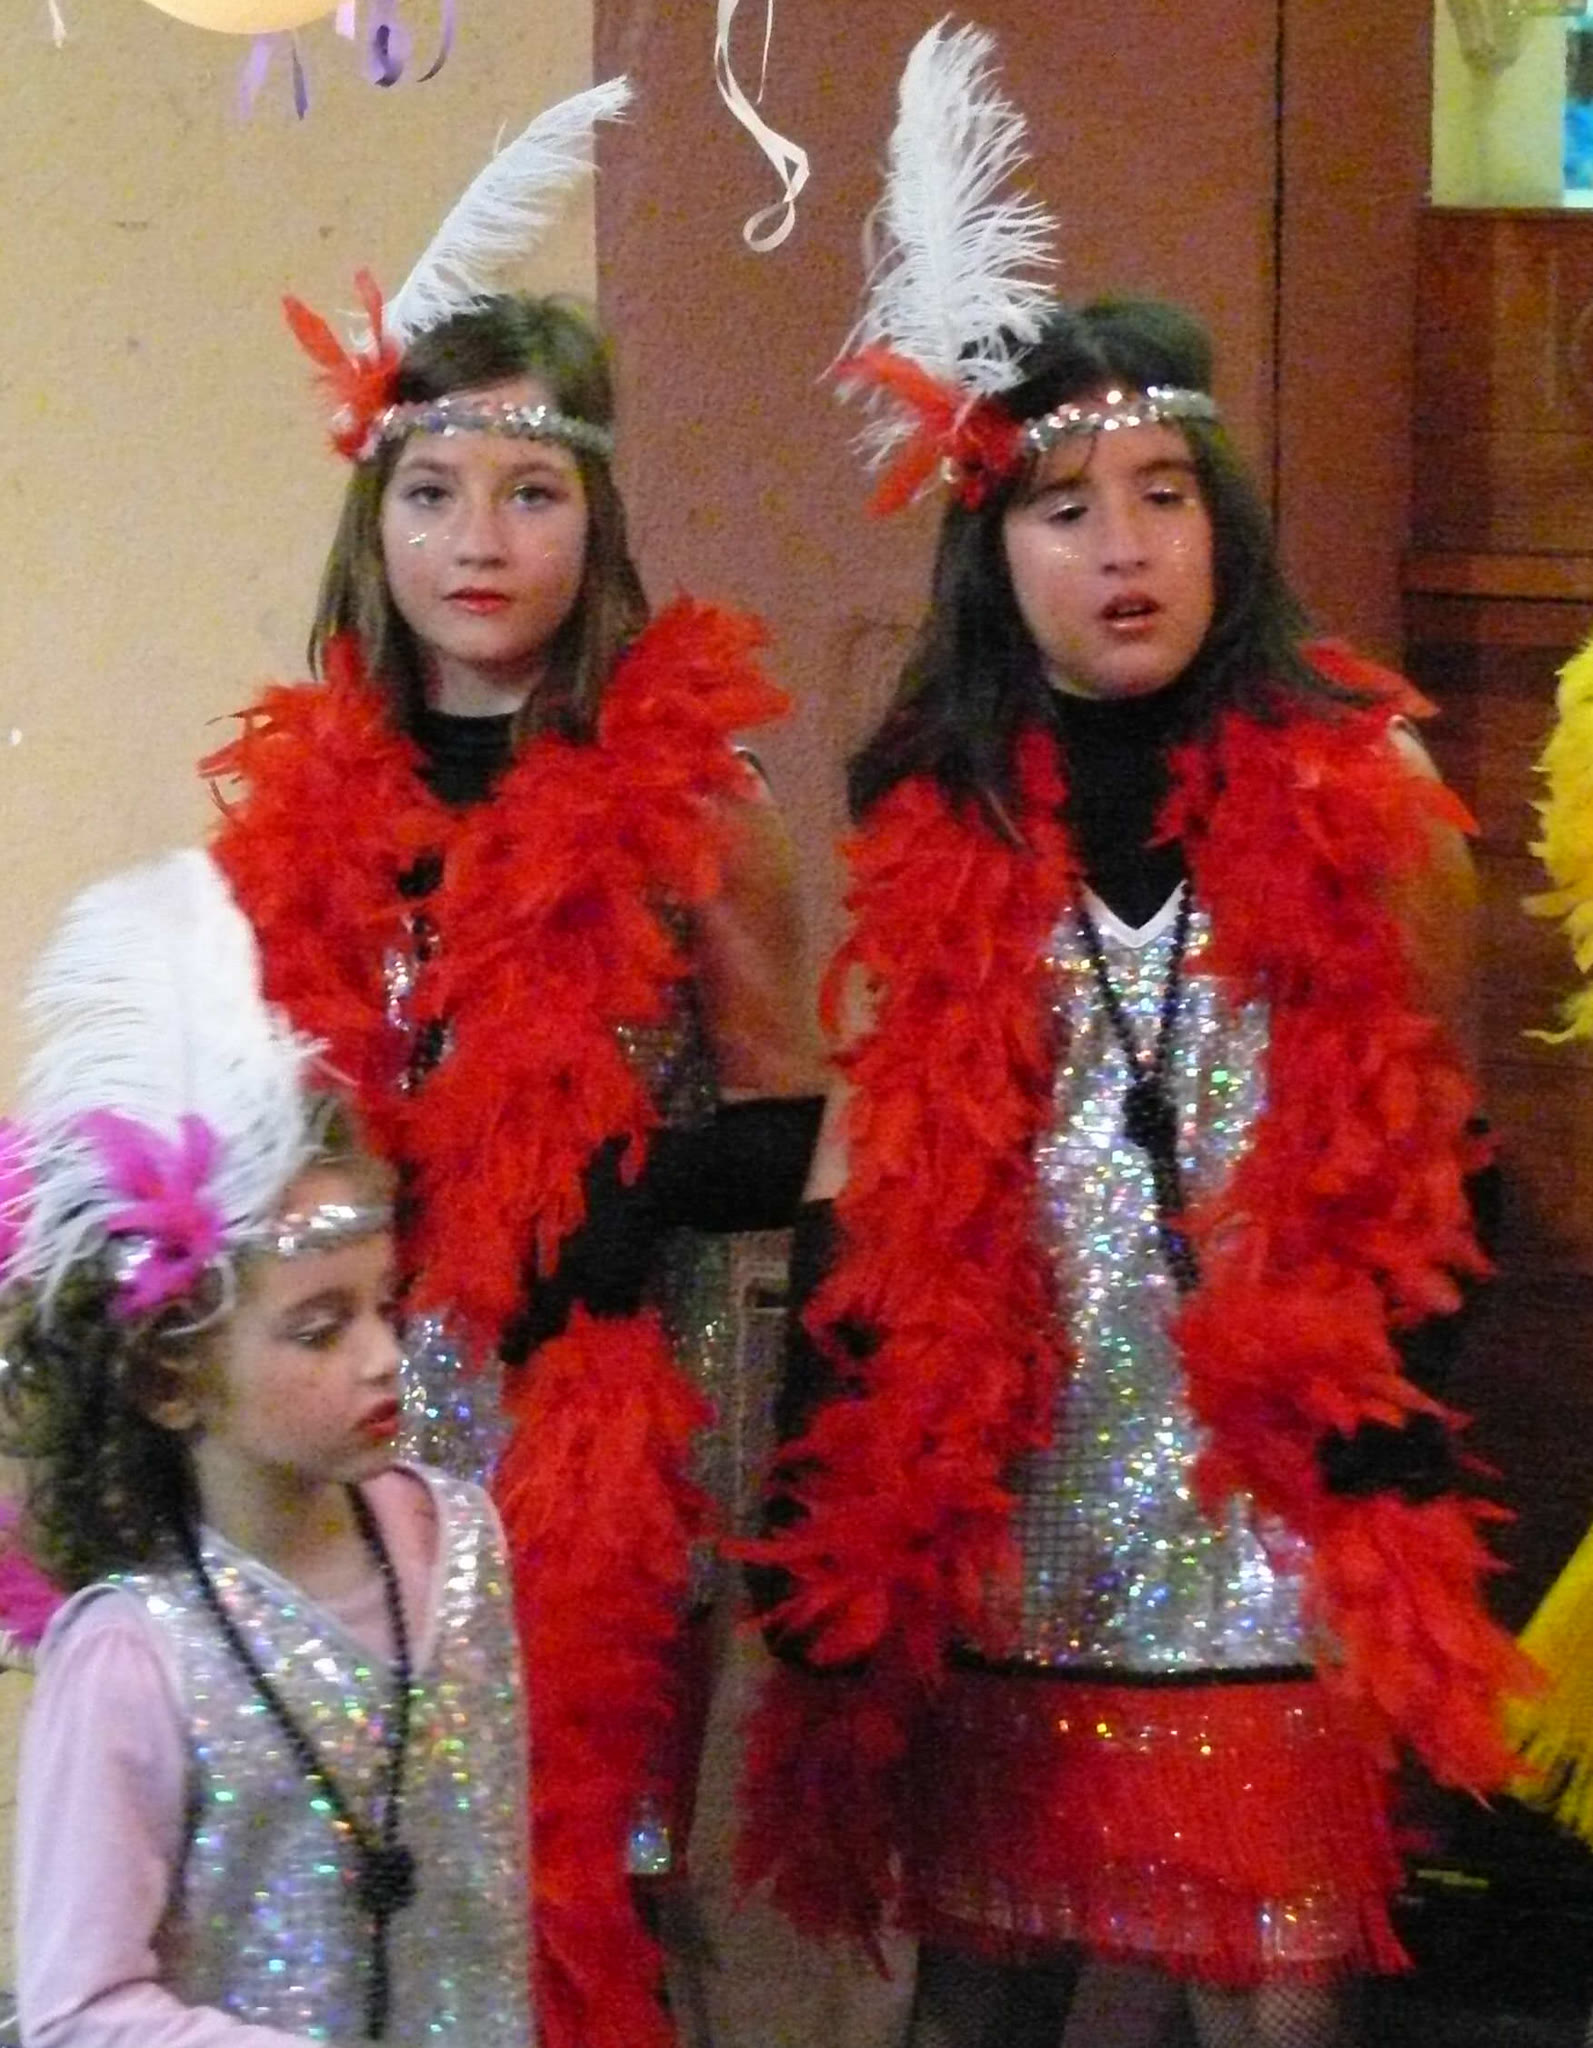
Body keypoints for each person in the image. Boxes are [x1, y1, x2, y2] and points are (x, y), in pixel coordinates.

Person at [740, 25, 1529, 2048]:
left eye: (1163, 494)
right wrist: (830, 1454)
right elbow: (871, 1165)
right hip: (1013, 1508)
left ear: (1220, 527)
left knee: (1281, 1999)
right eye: (1064, 507)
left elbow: (1432, 1137)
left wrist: (1388, 1387)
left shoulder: (1363, 790)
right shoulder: (942, 815)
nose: (1122, 545)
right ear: (988, 554)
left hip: (1261, 1513)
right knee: (971, 1993)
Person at [202, 76, 823, 2048]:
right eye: (433, 491)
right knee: (351, 1869)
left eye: (531, 492)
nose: (477, 539)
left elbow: (799, 1118)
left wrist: (632, 1185)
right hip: (357, 1416)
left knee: (575, 1881)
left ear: (597, 520)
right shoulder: (304, 817)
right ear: (372, 519)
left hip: (600, 1419)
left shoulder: (693, 803)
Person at [5, 847, 531, 2048]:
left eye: (384, 1303)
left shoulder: (460, 1543)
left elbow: (488, 1898)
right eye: (319, 1326)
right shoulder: (136, 1654)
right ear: (169, 1377)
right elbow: (78, 2009)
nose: (383, 1355)